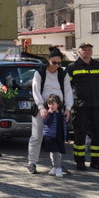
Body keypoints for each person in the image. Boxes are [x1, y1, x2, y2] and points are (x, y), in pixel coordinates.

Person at [29, 47, 73, 175]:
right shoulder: (40, 73)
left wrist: (68, 108)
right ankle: (32, 163)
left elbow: (68, 91)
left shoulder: (63, 73)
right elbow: (36, 90)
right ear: (48, 60)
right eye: (54, 62)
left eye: (59, 63)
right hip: (42, 108)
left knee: (56, 137)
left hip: (58, 109)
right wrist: (41, 107)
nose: (56, 65)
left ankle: (56, 165)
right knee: (37, 136)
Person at [66, 42, 99, 171]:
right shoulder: (72, 67)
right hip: (80, 106)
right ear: (79, 51)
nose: (87, 51)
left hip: (97, 105)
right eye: (84, 49)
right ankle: (80, 161)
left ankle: (96, 161)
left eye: (89, 49)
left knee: (97, 133)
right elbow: (67, 87)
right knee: (80, 134)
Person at [42, 94, 67, 178]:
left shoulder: (61, 114)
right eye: (49, 104)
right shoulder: (48, 114)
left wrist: (67, 136)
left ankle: (56, 167)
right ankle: (57, 167)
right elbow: (47, 122)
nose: (51, 106)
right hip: (51, 137)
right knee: (54, 152)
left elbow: (64, 125)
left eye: (53, 104)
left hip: (59, 137)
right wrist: (49, 114)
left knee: (58, 153)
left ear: (58, 104)